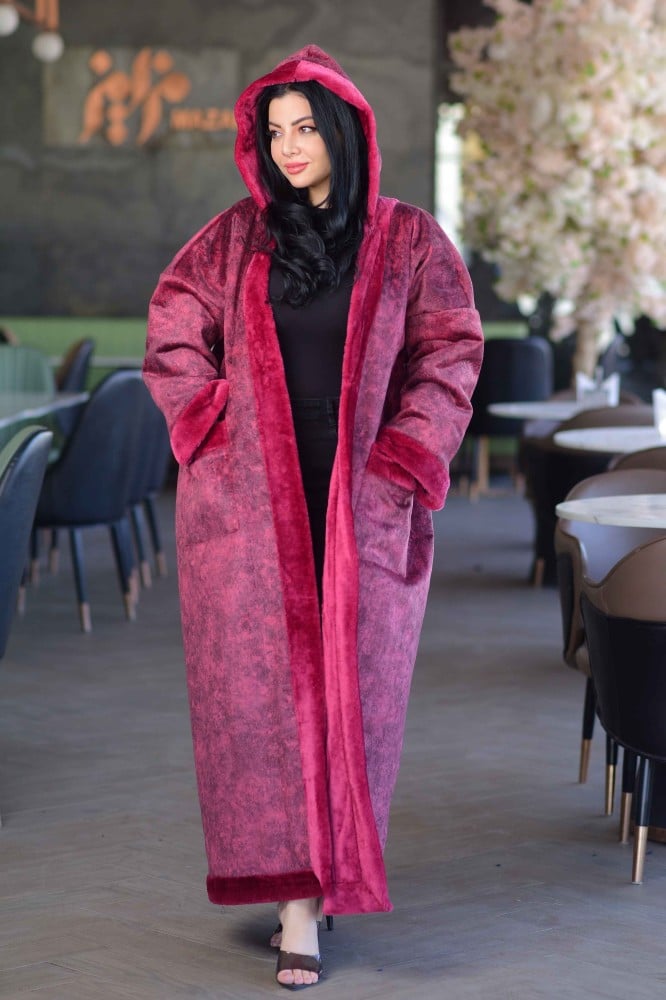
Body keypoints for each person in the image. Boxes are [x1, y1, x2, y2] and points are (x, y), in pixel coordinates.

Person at [144, 44, 483, 990]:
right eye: (274, 131)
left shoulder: (409, 239)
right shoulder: (234, 238)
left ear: (343, 132)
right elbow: (172, 332)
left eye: (304, 128)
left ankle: (327, 869)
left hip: (364, 500)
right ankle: (297, 905)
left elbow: (451, 352)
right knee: (261, 706)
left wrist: (408, 456)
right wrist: (209, 424)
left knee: (355, 699)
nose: (289, 147)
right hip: (252, 507)